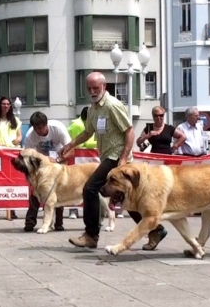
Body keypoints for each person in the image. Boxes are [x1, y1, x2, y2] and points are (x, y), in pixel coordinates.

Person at [58, 72, 168, 250]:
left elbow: (130, 132)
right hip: (107, 156)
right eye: (89, 89)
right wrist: (70, 145)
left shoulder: (112, 105)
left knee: (90, 188)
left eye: (96, 88)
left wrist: (123, 158)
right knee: (128, 200)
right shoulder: (93, 108)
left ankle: (91, 235)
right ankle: (156, 230)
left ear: (104, 87)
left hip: (116, 157)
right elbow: (88, 132)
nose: (93, 92)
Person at [23, 111, 75, 232]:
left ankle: (59, 223)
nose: (39, 131)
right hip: (41, 166)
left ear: (46, 124)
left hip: (58, 161)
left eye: (41, 128)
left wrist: (57, 159)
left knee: (58, 191)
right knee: (36, 191)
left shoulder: (58, 128)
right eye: (36, 128)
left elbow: (72, 151)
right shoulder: (30, 136)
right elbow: (28, 157)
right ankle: (30, 222)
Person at [0, 96, 22, 219]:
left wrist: (17, 141)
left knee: (12, 181)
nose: (6, 106)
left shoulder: (16, 120)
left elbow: (19, 136)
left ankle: (12, 209)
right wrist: (0, 147)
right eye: (3, 104)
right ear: (0, 105)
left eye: (8, 104)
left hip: (13, 153)